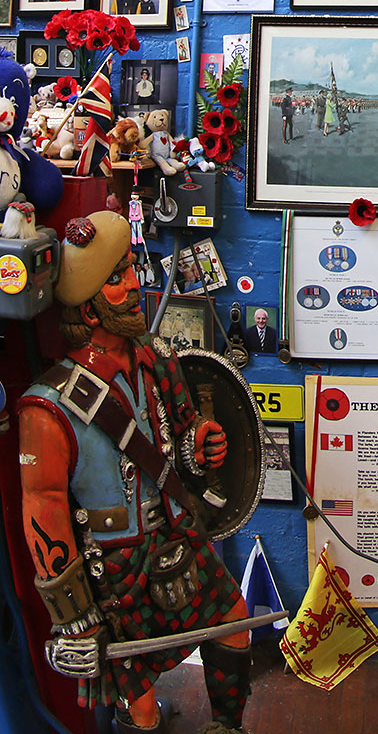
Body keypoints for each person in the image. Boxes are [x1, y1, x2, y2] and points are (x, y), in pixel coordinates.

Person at [17, 211, 252, 734]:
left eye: (130, 270)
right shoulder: (47, 407)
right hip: (115, 565)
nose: (136, 284)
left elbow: (182, 436)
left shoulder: (156, 359)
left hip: (178, 536)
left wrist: (199, 448)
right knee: (140, 704)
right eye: (119, 277)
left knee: (235, 625)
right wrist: (73, 619)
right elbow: (46, 511)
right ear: (92, 303)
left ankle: (227, 727)